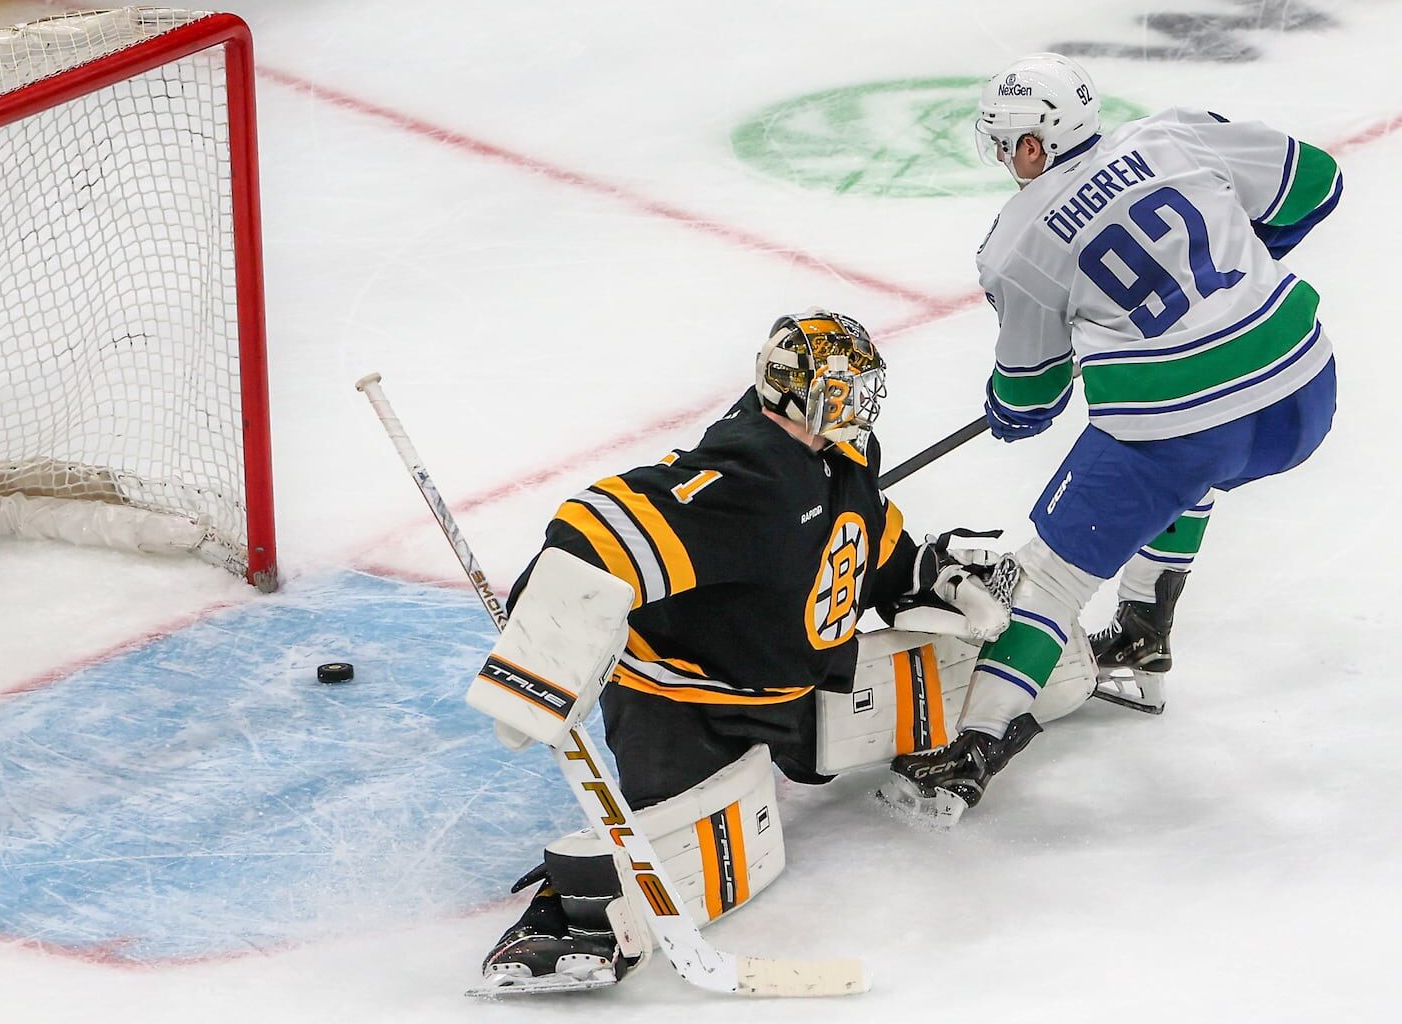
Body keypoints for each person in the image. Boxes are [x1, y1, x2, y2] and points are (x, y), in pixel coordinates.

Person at [466, 309, 1014, 993]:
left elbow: (859, 533)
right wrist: (546, 638)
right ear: (795, 392)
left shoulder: (842, 451)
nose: (861, 402)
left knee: (931, 677)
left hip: (790, 685)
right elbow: (599, 526)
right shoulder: (751, 471)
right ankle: (569, 918)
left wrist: (923, 575)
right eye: (843, 389)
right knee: (691, 845)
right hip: (685, 703)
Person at [883, 53, 1340, 820]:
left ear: (1033, 145)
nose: (1005, 158)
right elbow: (1317, 182)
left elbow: (1032, 394)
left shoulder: (1017, 242)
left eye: (1005, 144)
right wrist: (1240, 273)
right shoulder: (1174, 134)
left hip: (1184, 421)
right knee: (1187, 478)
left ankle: (973, 747)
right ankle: (1142, 634)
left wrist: (1009, 407)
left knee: (1049, 575)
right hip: (1303, 384)